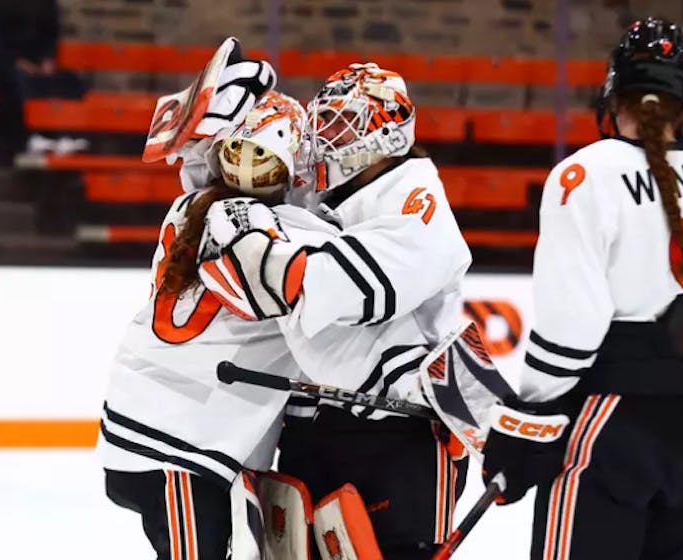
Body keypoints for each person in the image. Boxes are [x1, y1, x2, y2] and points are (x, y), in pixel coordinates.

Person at [477, 17, 683, 559]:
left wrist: (526, 422)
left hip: (609, 420)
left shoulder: (584, 174)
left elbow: (572, 327)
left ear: (615, 88)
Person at [197, 63, 494, 559]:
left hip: (401, 433)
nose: (325, 137)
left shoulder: (415, 197)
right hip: (317, 423)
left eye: (344, 124)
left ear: (386, 135)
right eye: (325, 122)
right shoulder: (326, 198)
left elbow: (354, 291)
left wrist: (278, 262)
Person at [95, 51, 299, 559]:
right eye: (245, 156)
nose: (251, 170)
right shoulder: (268, 226)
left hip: (162, 423)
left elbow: (192, 158)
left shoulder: (192, 203)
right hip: (179, 438)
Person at [0, 0, 87, 156]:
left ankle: (67, 135)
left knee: (69, 81)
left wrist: (48, 60)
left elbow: (51, 33)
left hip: (38, 61)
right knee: (21, 82)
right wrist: (17, 62)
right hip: (5, 64)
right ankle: (31, 136)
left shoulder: (46, 4)